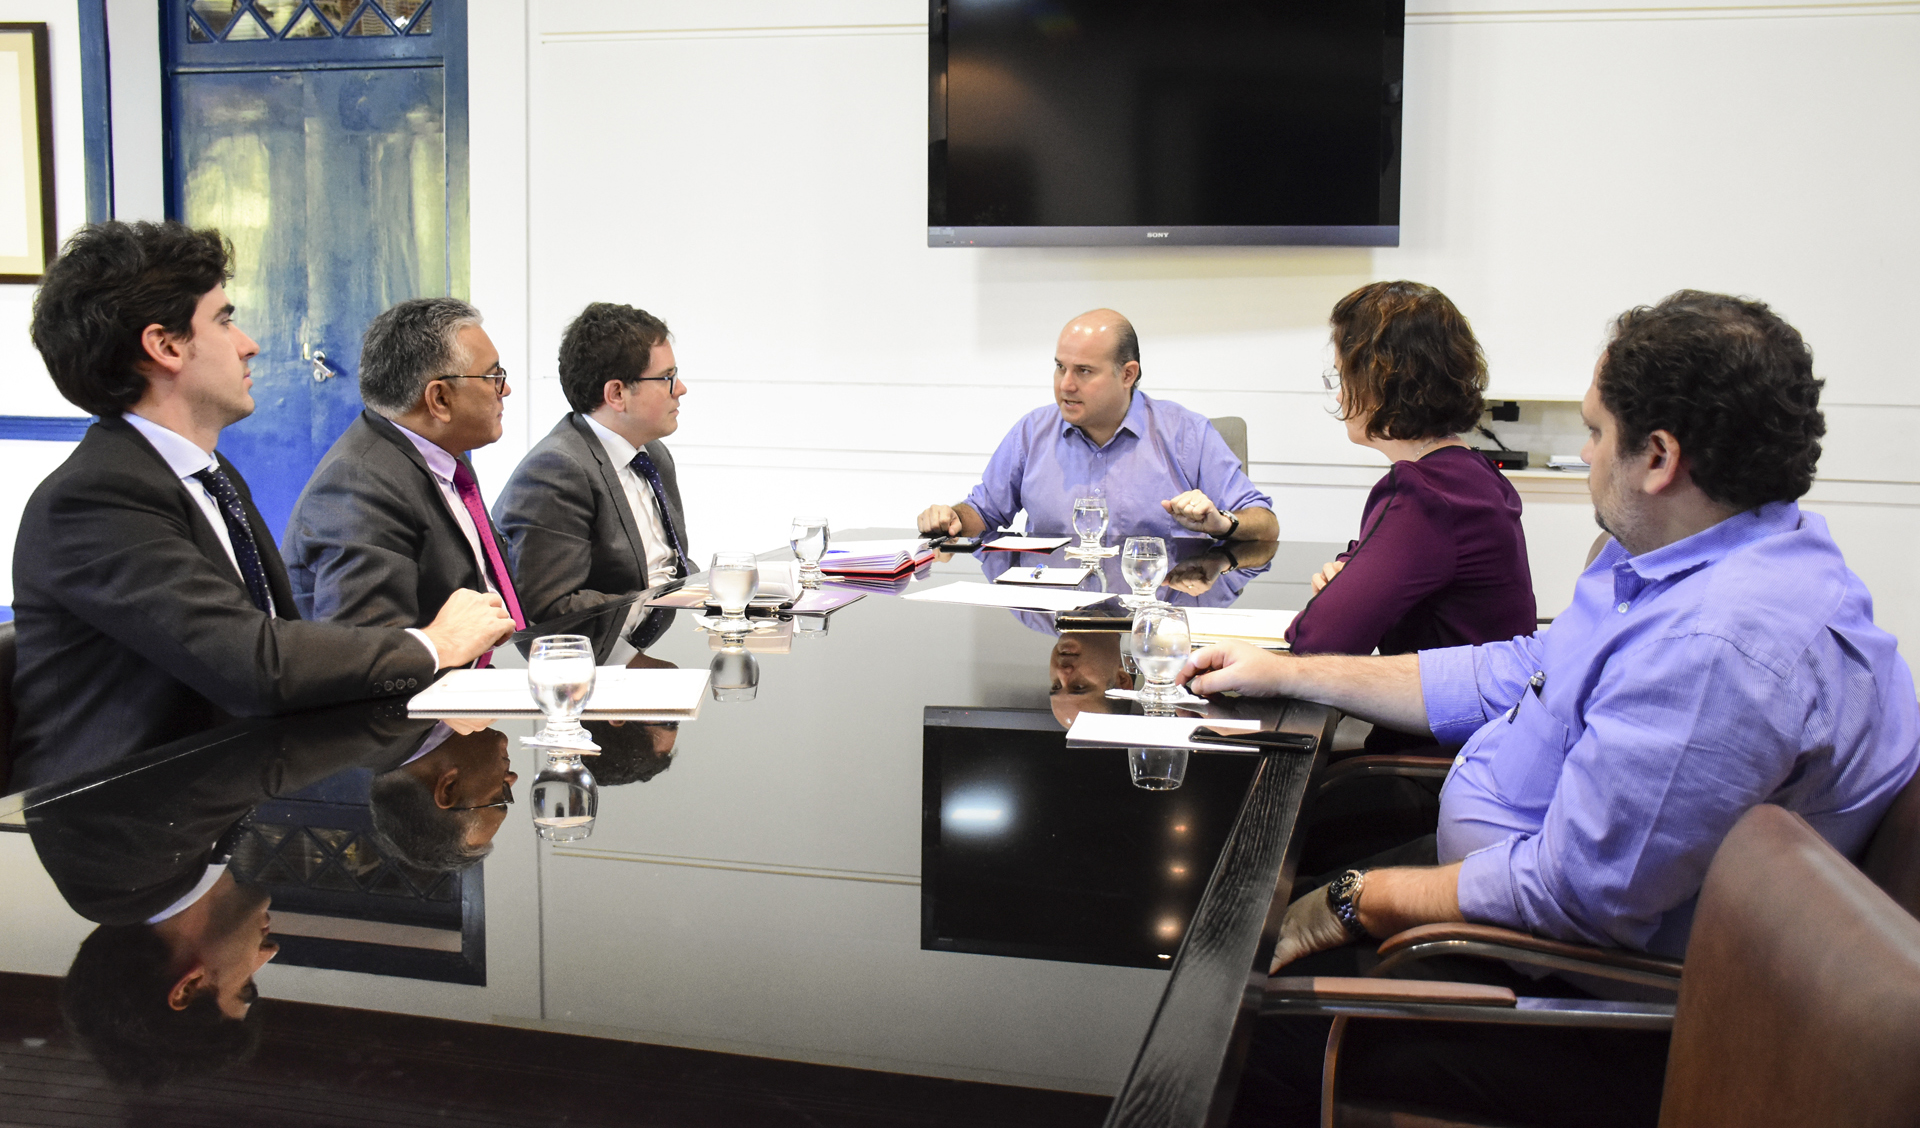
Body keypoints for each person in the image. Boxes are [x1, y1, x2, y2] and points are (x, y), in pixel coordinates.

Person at [1188, 291, 1920, 1127]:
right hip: (1505, 891)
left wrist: (1357, 898)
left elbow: (1572, 895)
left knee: (1225, 1040)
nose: (1582, 451)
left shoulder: (1720, 652)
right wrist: (1295, 676)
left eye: (1596, 430)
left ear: (1660, 457)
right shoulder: (1688, 558)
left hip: (1564, 988)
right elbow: (1519, 669)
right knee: (1237, 914)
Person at [10, 222, 511, 791]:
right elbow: (253, 663)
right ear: (165, 346)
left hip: (230, 792)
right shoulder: (93, 500)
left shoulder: (210, 474)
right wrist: (434, 642)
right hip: (128, 821)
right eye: (224, 319)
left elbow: (278, 639)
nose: (247, 342)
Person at [1285, 281, 1535, 660]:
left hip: (1448, 717)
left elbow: (1317, 643)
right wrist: (1351, 573)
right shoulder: (1471, 472)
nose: (1338, 394)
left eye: (1342, 375)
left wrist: (1342, 594)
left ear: (1380, 378)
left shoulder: (1424, 493)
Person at [282, 298, 527, 650]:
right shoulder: (359, 486)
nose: (505, 390)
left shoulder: (442, 459)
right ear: (440, 399)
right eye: (493, 376)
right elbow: (369, 654)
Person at [917, 309, 1277, 543]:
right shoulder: (1032, 432)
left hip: (1151, 622)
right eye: (1060, 367)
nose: (1065, 385)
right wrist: (951, 518)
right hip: (1055, 607)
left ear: (1127, 374)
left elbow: (1264, 522)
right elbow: (982, 513)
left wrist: (1222, 522)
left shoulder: (1186, 434)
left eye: (1084, 371)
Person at [494, 302, 690, 623]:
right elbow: (549, 606)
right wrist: (659, 602)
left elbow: (672, 567)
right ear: (616, 394)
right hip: (596, 657)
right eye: (667, 377)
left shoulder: (653, 455)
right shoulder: (556, 470)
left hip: (660, 636)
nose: (680, 389)